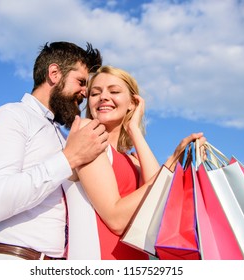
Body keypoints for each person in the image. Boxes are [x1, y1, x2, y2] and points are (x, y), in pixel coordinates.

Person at [0, 41, 107, 260]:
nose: (85, 92)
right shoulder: (11, 115)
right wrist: (69, 158)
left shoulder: (62, 136)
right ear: (54, 73)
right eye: (81, 82)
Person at [63, 65, 205, 260]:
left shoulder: (133, 159)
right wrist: (173, 161)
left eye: (114, 91)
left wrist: (134, 129)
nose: (103, 97)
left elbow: (158, 204)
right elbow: (115, 219)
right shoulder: (88, 133)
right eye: (95, 93)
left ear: (132, 103)